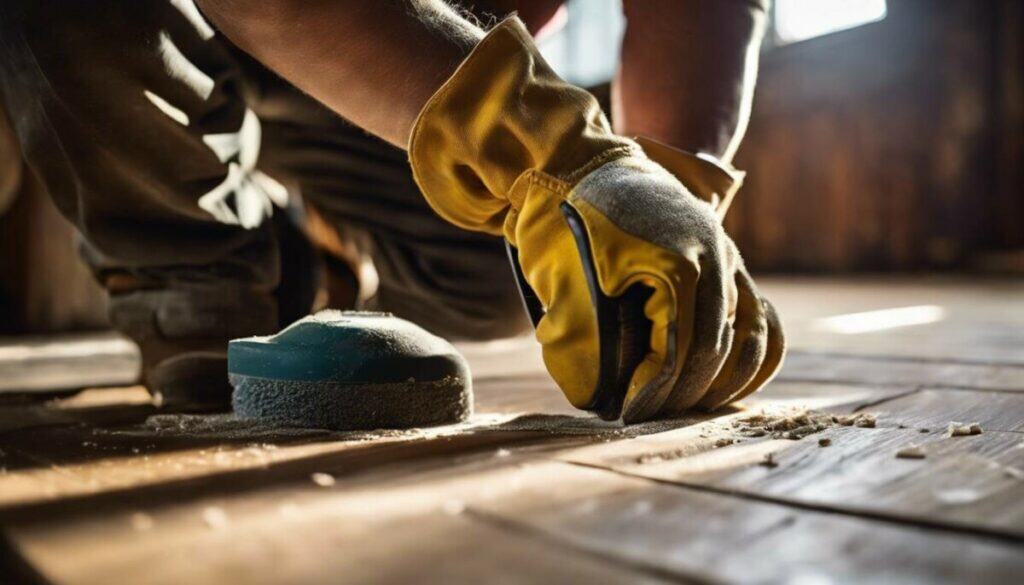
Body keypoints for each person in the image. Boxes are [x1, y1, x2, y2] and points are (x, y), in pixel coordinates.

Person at [0, 0, 783, 422]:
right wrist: (548, 150)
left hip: (417, 56)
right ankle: (193, 269)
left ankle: (298, 264)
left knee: (501, 281)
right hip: (171, 32)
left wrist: (672, 195)